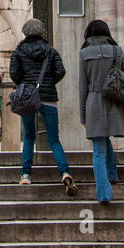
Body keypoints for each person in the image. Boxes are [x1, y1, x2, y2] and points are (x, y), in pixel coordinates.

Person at [9, 17, 77, 196]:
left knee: (29, 136)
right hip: (48, 98)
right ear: (42, 32)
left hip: (28, 100)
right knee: (54, 139)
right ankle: (65, 172)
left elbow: (14, 75)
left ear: (25, 33)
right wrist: (48, 83)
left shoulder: (19, 51)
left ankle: (25, 174)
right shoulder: (51, 51)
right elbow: (60, 71)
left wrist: (26, 84)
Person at [79, 19, 124, 204]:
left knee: (98, 150)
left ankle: (103, 193)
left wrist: (82, 114)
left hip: (94, 101)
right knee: (104, 138)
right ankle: (112, 173)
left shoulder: (84, 53)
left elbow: (82, 86)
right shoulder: (117, 50)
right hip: (114, 100)